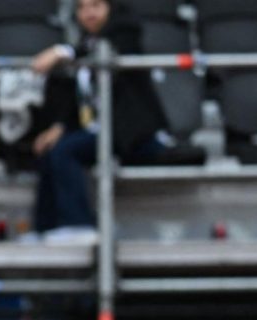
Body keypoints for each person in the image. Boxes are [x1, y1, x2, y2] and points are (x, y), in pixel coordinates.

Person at [29, 0, 168, 244]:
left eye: (95, 5)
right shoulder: (84, 44)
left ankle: (79, 224)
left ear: (110, 8)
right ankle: (44, 228)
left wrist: (63, 52)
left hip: (129, 131)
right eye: (81, 7)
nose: (88, 13)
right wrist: (58, 127)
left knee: (66, 150)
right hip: (95, 129)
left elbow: (108, 49)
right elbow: (80, 100)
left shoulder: (125, 31)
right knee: (50, 148)